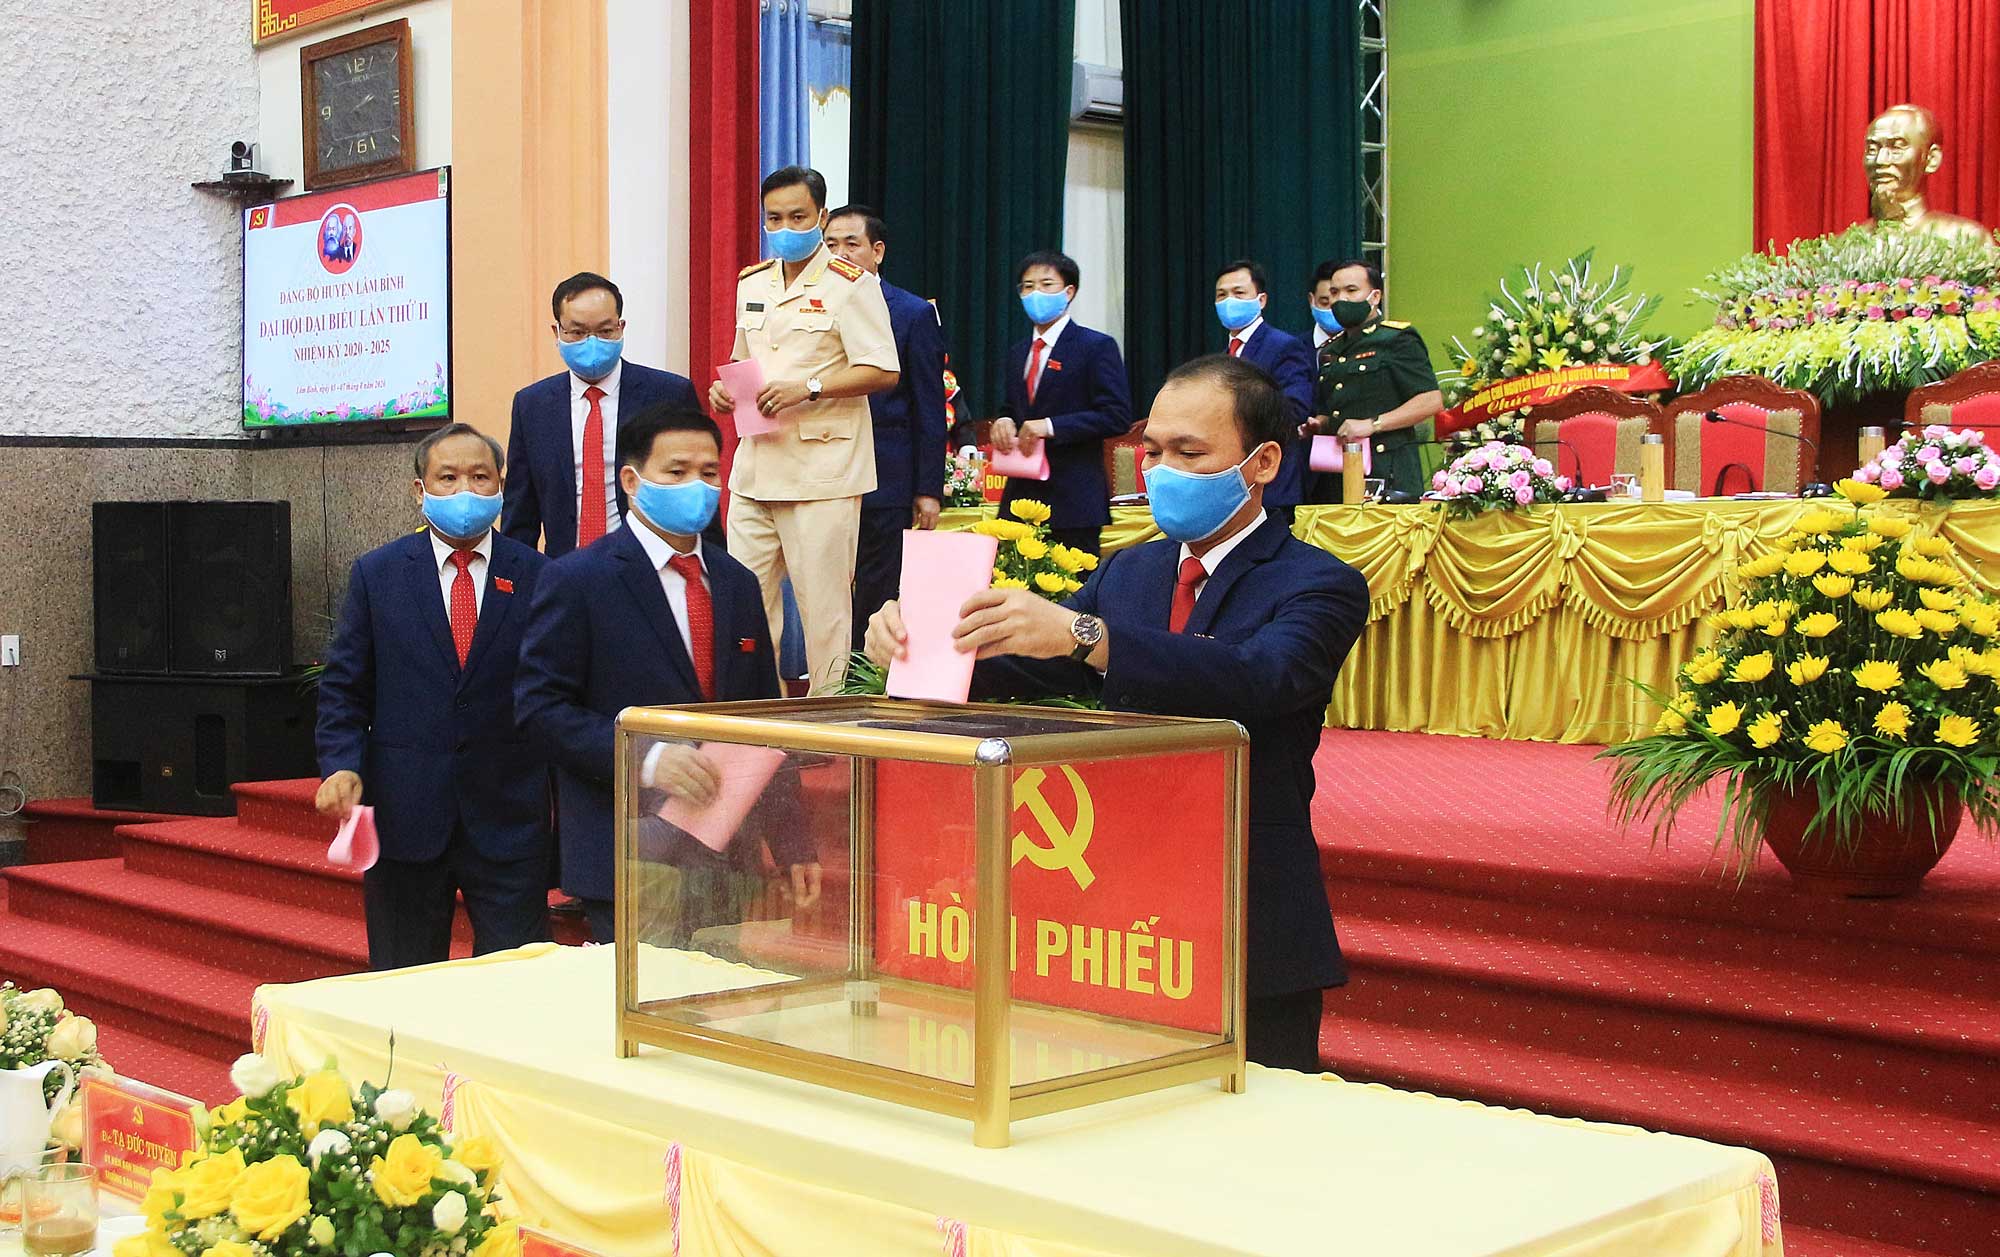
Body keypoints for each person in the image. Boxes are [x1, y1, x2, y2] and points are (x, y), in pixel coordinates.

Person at [864, 354, 1369, 1071]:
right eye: (1153, 451)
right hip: (1120, 910)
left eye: (1190, 453)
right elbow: (1032, 661)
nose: (1162, 471)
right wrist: (918, 642)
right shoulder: (1130, 571)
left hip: (1244, 904)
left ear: (1261, 462)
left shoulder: (1320, 581)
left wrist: (1084, 634)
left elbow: (1261, 677)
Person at [515, 405, 822, 944]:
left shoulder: (736, 582)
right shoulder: (579, 580)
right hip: (629, 850)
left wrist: (792, 842)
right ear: (632, 481)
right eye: (676, 472)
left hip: (727, 852)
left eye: (708, 473)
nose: (695, 487)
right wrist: (648, 758)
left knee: (722, 992)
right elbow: (540, 710)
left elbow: (764, 725)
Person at [314, 424, 553, 970]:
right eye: (448, 478)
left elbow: (553, 692)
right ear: (420, 491)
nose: (465, 490)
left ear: (500, 487)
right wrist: (340, 763)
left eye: (480, 477)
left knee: (519, 983)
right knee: (405, 983)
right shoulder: (378, 575)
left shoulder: (539, 574)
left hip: (509, 816)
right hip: (407, 817)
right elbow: (345, 688)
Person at [707, 165, 900, 696]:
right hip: (755, 466)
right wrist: (724, 390)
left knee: (824, 615)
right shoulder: (754, 281)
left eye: (797, 216)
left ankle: (829, 729)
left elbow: (883, 369)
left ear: (821, 216)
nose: (785, 227)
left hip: (822, 473)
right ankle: (751, 718)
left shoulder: (850, 284)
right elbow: (742, 357)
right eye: (774, 218)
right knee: (744, 608)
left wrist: (810, 387)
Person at [502, 271, 711, 560]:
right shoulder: (532, 405)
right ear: (557, 332)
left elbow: (697, 490)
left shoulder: (669, 394)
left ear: (621, 327)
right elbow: (520, 514)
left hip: (651, 567)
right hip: (564, 569)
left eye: (604, 331)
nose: (592, 342)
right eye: (577, 332)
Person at [824, 204, 950, 645]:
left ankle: (865, 674)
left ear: (877, 251)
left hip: (886, 478)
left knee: (877, 592)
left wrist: (928, 489)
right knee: (827, 590)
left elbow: (929, 407)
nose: (839, 254)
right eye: (830, 244)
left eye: (851, 244)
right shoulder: (813, 306)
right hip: (825, 474)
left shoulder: (911, 312)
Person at [990, 250, 1133, 556]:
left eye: (1046, 285)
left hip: (1073, 500)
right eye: (1028, 287)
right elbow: (1012, 408)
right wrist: (1004, 420)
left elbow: (1117, 415)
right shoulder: (1018, 353)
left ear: (1069, 292)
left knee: (1073, 584)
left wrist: (1051, 426)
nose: (1036, 294)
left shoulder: (1095, 346)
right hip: (1020, 499)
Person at [1301, 260, 1443, 501]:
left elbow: (1430, 400)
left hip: (1387, 471)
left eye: (1351, 290)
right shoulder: (1331, 350)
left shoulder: (1396, 339)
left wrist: (1373, 424)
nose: (1341, 299)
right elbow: (1332, 408)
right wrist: (1320, 424)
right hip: (1338, 471)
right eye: (1334, 292)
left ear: (1375, 296)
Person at [1214, 259, 1313, 526]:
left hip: (1271, 485)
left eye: (1239, 293)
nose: (1229, 301)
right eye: (1221, 295)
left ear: (1261, 300)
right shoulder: (1223, 356)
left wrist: (1234, 416)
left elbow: (1295, 407)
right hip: (1229, 488)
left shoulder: (1283, 346)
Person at [1864, 104, 1994, 248]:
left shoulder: (1965, 239)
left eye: (1896, 148)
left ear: (1931, 159)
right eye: (1872, 149)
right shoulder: (1848, 242)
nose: (1880, 160)